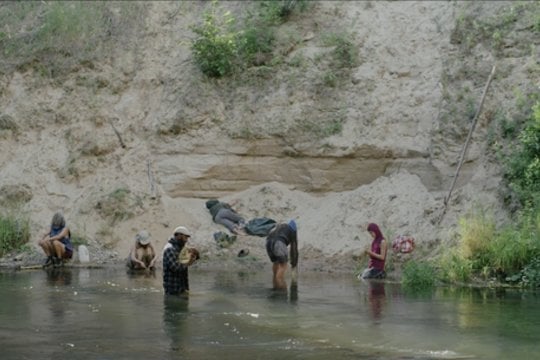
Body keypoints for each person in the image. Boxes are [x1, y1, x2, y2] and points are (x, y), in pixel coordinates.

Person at [162, 226, 197, 296]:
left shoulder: (180, 248)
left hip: (181, 288)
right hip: (172, 290)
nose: (186, 240)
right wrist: (189, 262)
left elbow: (183, 267)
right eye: (185, 237)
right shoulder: (169, 249)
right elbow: (175, 267)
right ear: (179, 236)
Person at [265, 219, 298, 290]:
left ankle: (275, 284)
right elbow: (294, 248)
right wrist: (294, 264)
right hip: (279, 243)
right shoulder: (293, 229)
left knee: (276, 262)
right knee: (283, 265)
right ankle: (280, 287)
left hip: (268, 242)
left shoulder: (279, 226)